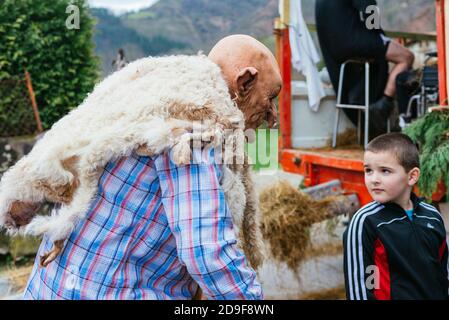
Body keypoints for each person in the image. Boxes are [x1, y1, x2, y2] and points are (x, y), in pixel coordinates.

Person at [21, 35, 282, 300]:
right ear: (245, 81)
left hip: (52, 286)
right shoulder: (196, 128)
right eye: (270, 97)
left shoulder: (150, 95)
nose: (272, 116)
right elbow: (207, 252)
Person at [343, 132, 449, 300]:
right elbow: (361, 286)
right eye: (368, 170)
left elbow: (443, 270)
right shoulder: (365, 222)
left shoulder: (432, 216)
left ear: (412, 176)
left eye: (385, 171)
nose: (374, 179)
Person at [315, 0, 415, 136]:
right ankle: (383, 105)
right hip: (357, 42)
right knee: (407, 57)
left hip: (334, 50)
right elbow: (370, 10)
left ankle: (369, 102)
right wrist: (378, 34)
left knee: (384, 56)